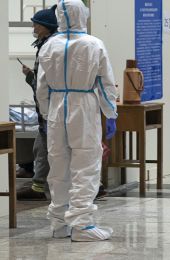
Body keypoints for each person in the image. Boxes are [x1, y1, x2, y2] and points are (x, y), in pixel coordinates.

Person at [36, 0, 118, 241]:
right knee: (85, 164)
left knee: (58, 166)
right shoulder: (93, 44)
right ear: (82, 15)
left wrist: (45, 111)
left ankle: (59, 222)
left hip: (56, 108)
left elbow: (42, 87)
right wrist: (110, 112)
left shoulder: (50, 46)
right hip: (83, 106)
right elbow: (105, 82)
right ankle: (82, 224)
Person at [16, 5, 58, 201]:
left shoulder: (49, 47)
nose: (33, 26)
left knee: (46, 147)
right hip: (48, 106)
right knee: (41, 146)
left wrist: (31, 78)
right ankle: (38, 184)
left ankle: (38, 187)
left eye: (36, 23)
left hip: (50, 107)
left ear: (46, 26)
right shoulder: (46, 45)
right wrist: (31, 77)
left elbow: (45, 82)